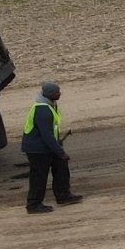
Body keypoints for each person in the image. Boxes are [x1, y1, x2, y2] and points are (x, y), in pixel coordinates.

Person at [20, 80, 83, 213]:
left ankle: (63, 196)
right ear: (49, 94)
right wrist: (60, 151)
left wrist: (57, 146)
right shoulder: (42, 110)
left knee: (61, 167)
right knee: (39, 176)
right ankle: (33, 205)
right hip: (37, 149)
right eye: (57, 92)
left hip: (47, 146)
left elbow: (51, 130)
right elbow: (46, 134)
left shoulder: (50, 105)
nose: (60, 93)